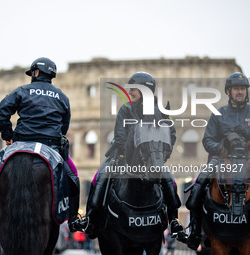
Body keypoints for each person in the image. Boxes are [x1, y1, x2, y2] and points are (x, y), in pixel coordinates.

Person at [84, 72, 185, 240]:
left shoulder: (161, 111)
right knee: (99, 177)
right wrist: (130, 157)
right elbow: (120, 136)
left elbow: (171, 135)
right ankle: (91, 218)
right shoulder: (126, 109)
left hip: (152, 159)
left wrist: (162, 156)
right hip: (123, 158)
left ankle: (174, 220)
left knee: (170, 181)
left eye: (134, 89)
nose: (130, 92)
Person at [0, 57, 81, 231]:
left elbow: (2, 112)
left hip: (21, 144)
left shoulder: (22, 91)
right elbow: (65, 126)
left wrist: (8, 135)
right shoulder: (62, 97)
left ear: (35, 73)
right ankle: (73, 219)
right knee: (74, 178)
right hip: (51, 147)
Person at [185, 72, 250, 250]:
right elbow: (207, 141)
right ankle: (195, 233)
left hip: (248, 160)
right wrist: (224, 145)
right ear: (228, 91)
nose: (240, 92)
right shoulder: (218, 114)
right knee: (199, 185)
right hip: (221, 160)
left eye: (243, 89)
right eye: (236, 88)